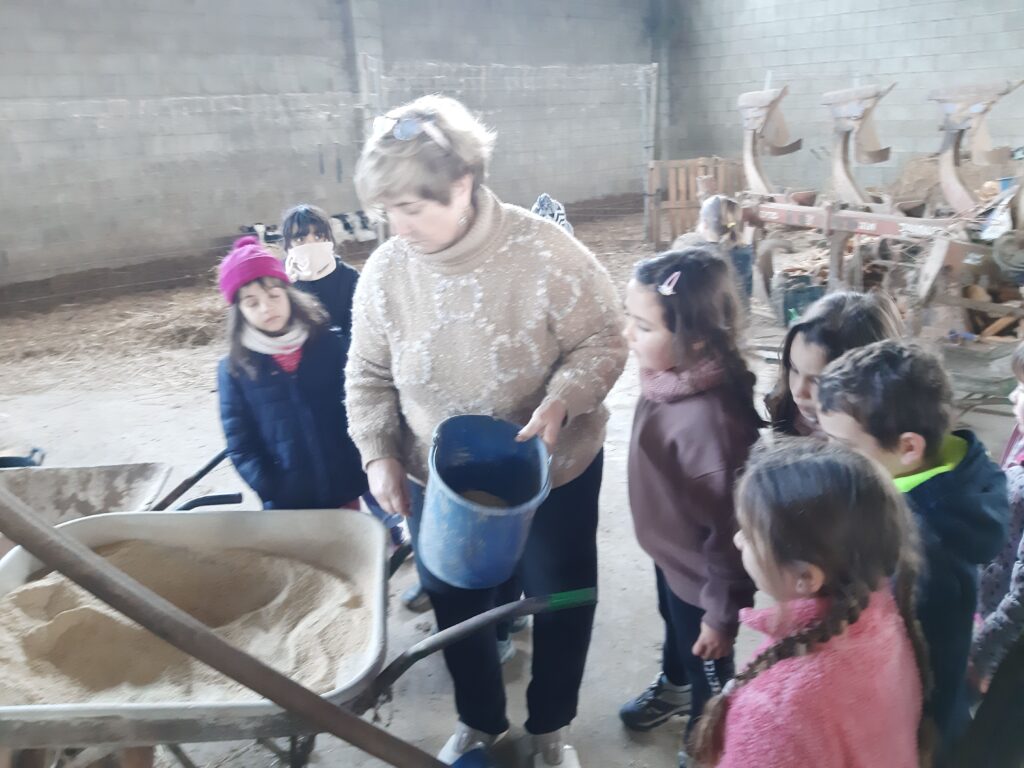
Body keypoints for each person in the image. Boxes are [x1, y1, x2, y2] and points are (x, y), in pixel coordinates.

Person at [345, 94, 627, 766]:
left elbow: (604, 339)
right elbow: (367, 373)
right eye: (387, 211)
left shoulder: (546, 253)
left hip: (551, 472)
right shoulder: (386, 273)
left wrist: (564, 400)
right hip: (441, 482)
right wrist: (378, 453)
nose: (396, 227)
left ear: (463, 184)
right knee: (455, 599)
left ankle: (551, 728)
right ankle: (480, 723)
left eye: (411, 208)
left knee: (560, 596)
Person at [690, 438, 930, 768]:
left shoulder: (775, 714)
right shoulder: (880, 610)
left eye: (749, 533)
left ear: (805, 577)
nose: (737, 540)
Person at [816, 339, 1008, 750]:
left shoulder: (921, 547)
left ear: (908, 447)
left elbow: (925, 663)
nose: (829, 457)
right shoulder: (954, 472)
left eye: (843, 447)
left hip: (914, 722)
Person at [617, 248, 760, 768]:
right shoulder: (669, 376)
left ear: (696, 338)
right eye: (629, 319)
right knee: (676, 629)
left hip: (706, 581)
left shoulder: (712, 427)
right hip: (675, 558)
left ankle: (710, 740)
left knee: (709, 663)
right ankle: (677, 686)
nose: (628, 335)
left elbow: (731, 538)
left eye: (642, 326)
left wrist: (721, 617)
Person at [281, 203, 408, 551]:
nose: (310, 244)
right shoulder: (283, 288)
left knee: (363, 457)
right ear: (287, 245)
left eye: (317, 236)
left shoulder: (350, 280)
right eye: (300, 239)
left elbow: (365, 337)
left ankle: (391, 524)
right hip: (309, 397)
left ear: (330, 238)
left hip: (350, 389)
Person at [216, 236, 368, 511]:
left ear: (289, 293)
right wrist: (271, 487)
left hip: (343, 485)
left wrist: (357, 462)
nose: (266, 307)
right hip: (287, 501)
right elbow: (240, 444)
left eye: (274, 295)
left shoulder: (328, 344)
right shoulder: (235, 370)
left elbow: (360, 405)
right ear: (239, 312)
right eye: (252, 303)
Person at [764, 291, 904, 437]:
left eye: (817, 380)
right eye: (794, 369)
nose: (798, 391)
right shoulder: (783, 407)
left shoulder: (890, 440)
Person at [971, 341, 1024, 691]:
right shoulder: (1021, 440)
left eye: (1023, 389)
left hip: (1005, 643)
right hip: (989, 604)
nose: (1013, 396)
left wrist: (981, 654)